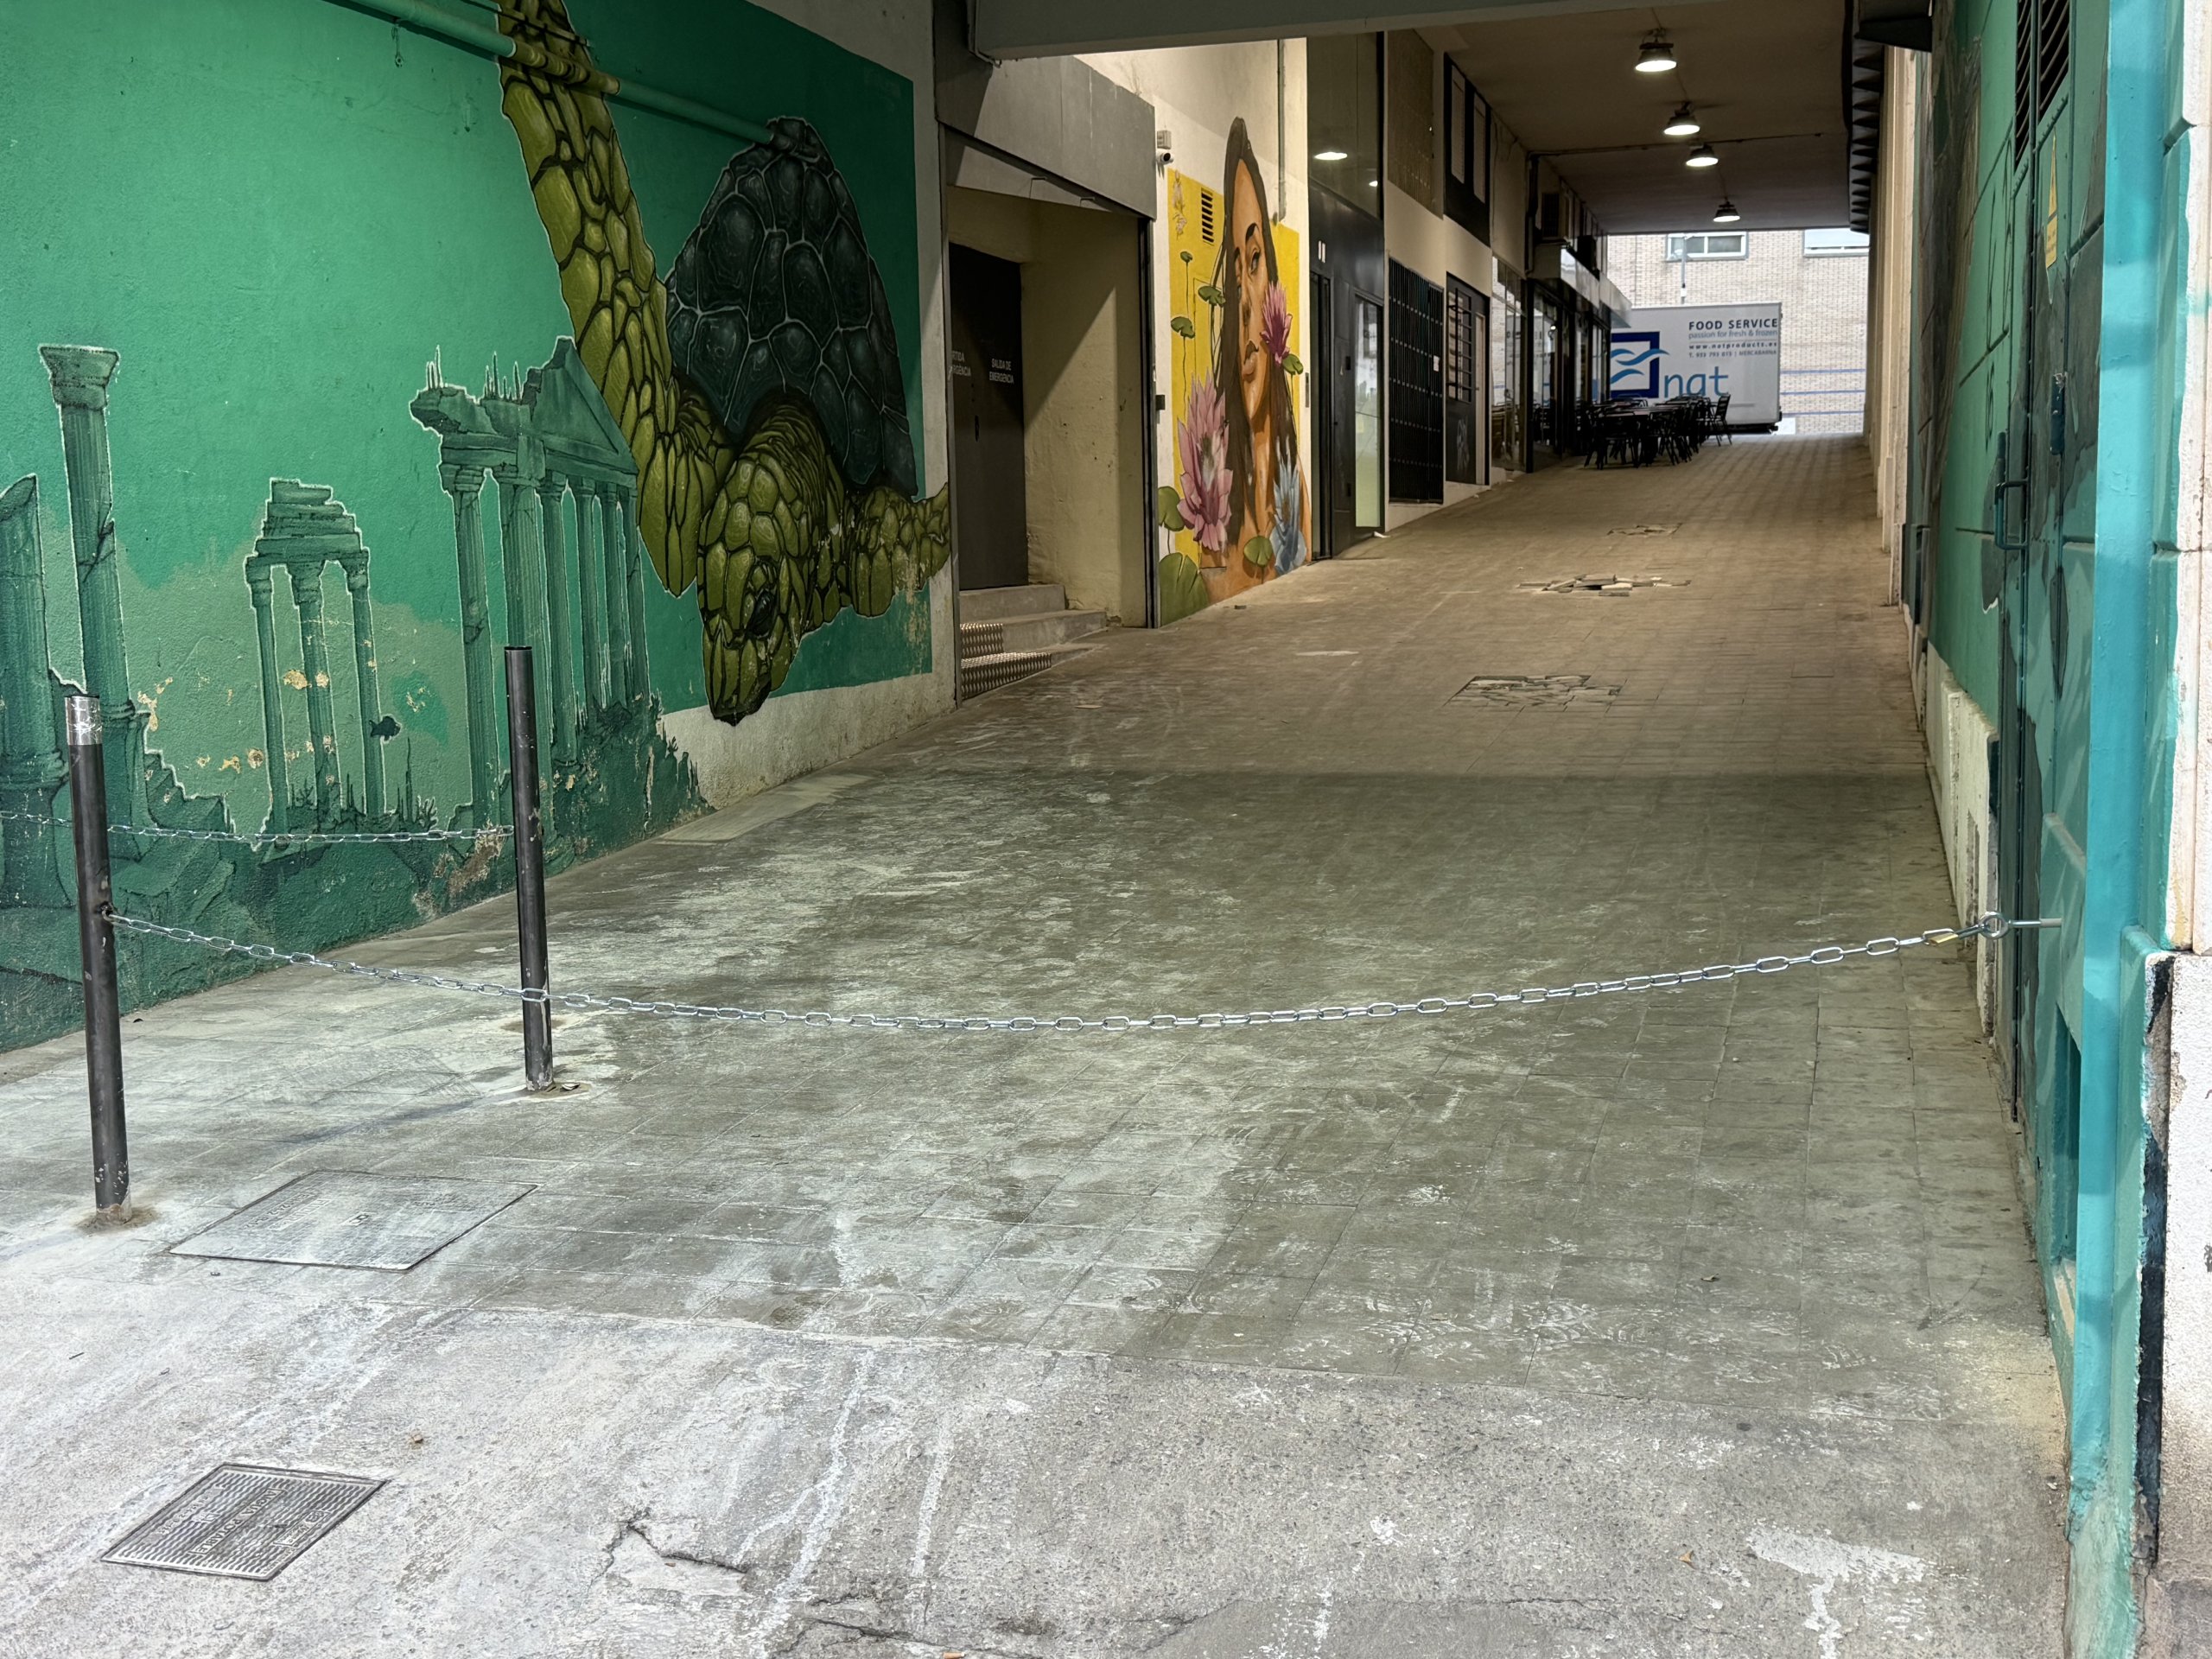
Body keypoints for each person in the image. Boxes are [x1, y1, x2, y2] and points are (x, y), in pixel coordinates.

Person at [1203, 118, 1311, 601]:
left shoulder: (1292, 479)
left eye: (1254, 260)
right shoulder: (1213, 485)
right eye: (1234, 275)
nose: (1244, 299)